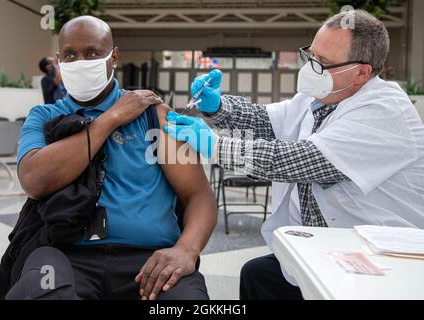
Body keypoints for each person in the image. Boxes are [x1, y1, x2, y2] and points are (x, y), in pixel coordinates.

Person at [164, 10, 424, 299]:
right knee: (258, 276)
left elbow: (298, 160)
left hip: (378, 256)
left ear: (362, 72)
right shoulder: (319, 99)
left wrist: (215, 146)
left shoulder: (385, 111)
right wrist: (217, 107)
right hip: (326, 246)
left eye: (323, 63)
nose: (311, 68)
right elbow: (266, 121)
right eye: (310, 56)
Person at [13, 16, 217, 300]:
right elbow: (34, 180)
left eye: (93, 53)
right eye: (70, 55)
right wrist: (112, 118)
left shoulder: (152, 114)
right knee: (42, 292)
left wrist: (186, 249)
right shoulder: (44, 117)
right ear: (59, 61)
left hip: (150, 258)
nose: (81, 61)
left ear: (114, 57)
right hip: (67, 257)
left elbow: (199, 195)